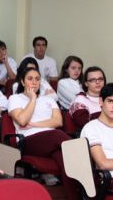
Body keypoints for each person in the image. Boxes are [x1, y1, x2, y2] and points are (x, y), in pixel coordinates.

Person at [8, 67, 77, 198]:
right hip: (29, 141)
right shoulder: (14, 98)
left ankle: (75, 197)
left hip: (53, 142)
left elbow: (58, 122)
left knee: (64, 158)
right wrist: (33, 99)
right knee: (58, 136)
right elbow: (22, 120)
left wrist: (34, 124)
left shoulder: (49, 100)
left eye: (37, 79)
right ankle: (85, 157)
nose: (34, 82)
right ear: (22, 82)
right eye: (30, 79)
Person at [80, 83, 113, 196]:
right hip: (111, 178)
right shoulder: (91, 128)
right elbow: (103, 163)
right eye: (110, 101)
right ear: (101, 102)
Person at [69, 66, 106, 131]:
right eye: (93, 80)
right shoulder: (79, 100)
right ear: (86, 83)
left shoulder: (110, 98)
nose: (98, 82)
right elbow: (85, 124)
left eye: (100, 79)